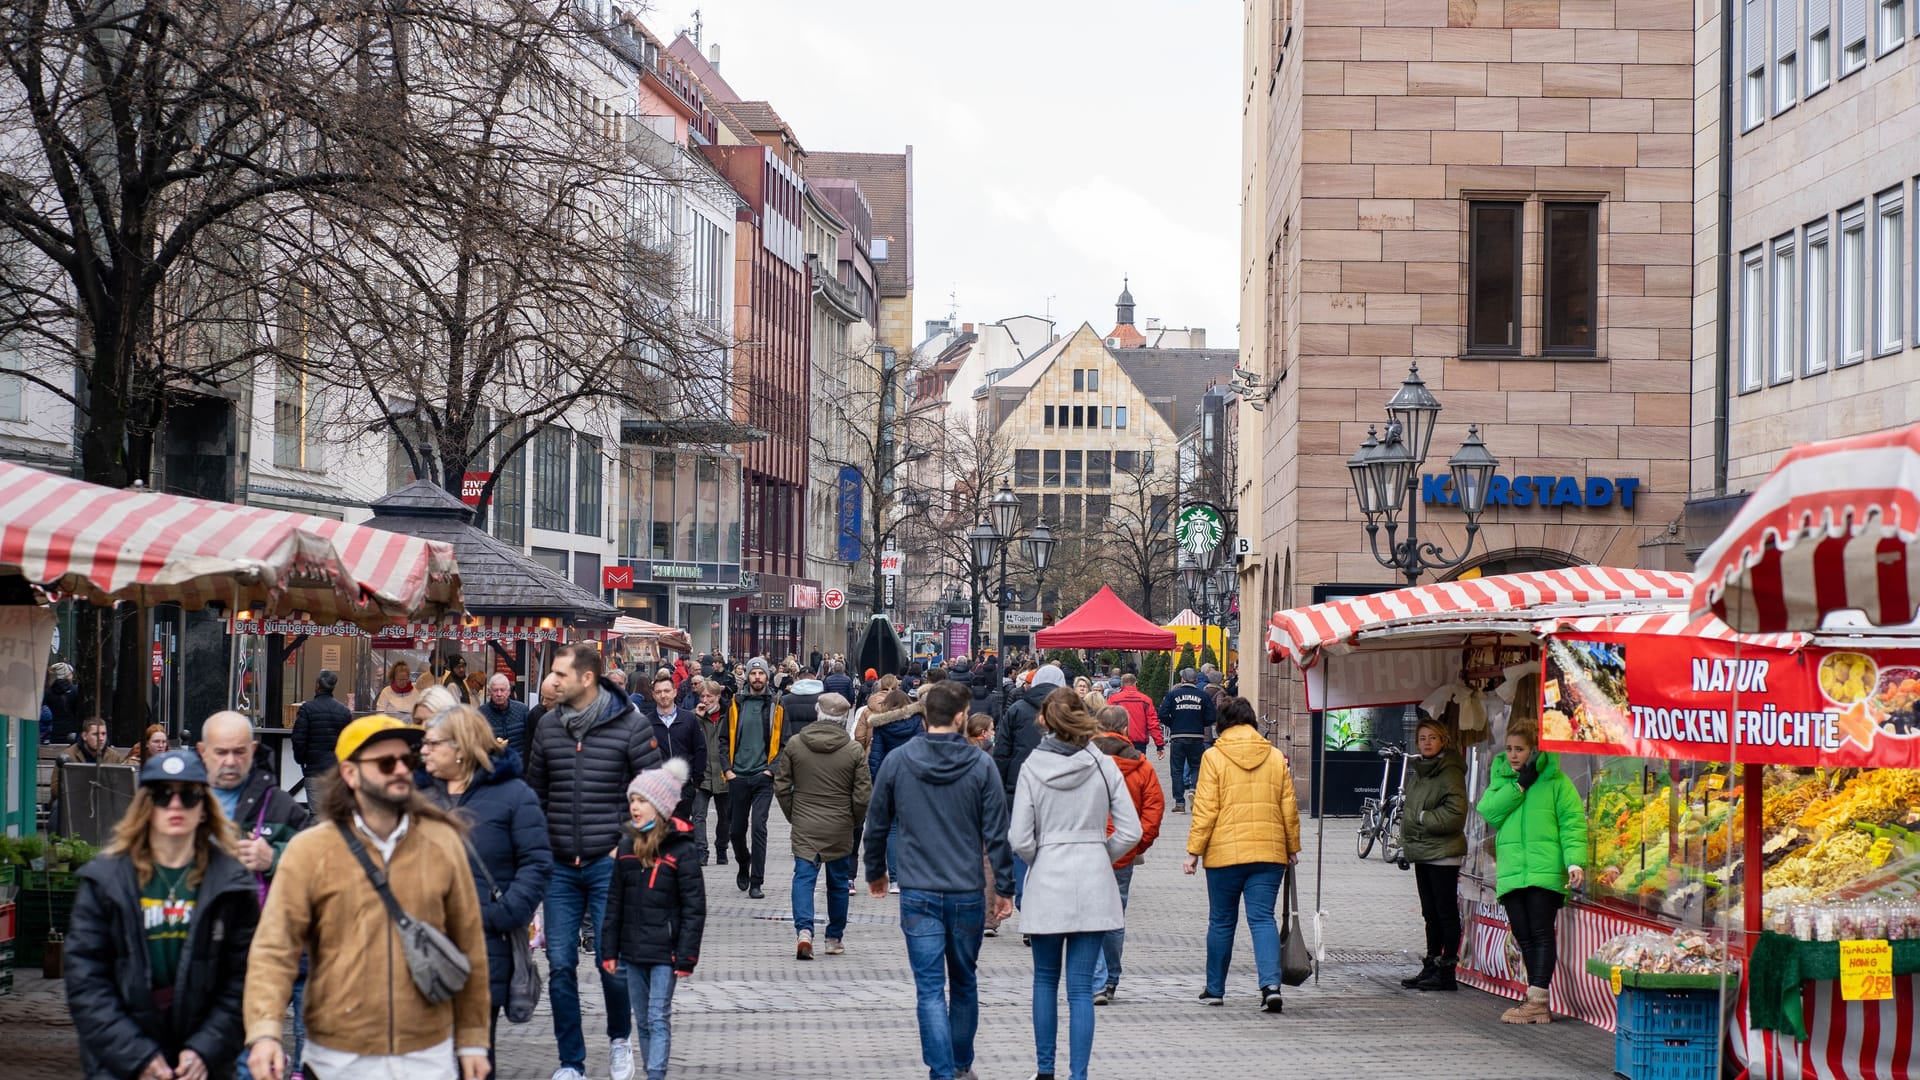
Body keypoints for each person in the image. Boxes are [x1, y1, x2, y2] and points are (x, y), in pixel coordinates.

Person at [244, 716, 491, 1080]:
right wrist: (264, 1032)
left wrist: (472, 1039)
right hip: (337, 1056)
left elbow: (470, 945)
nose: (401, 771)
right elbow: (274, 949)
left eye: (407, 760)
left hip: (427, 1055)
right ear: (350, 774)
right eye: (386, 763)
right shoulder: (310, 851)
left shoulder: (442, 843)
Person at [66, 749, 257, 1080]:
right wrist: (136, 1055)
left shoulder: (232, 883)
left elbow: (245, 979)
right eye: (162, 795)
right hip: (121, 1064)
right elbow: (86, 980)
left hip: (204, 1066)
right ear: (146, 806)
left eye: (189, 795)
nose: (175, 805)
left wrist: (205, 1049)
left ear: (204, 807)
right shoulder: (106, 880)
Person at [526, 642, 666, 1080]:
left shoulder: (630, 725)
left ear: (586, 679)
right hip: (560, 867)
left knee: (613, 963)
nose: (552, 681)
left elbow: (657, 794)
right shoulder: (548, 727)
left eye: (560, 674)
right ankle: (571, 1062)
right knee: (561, 965)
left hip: (610, 865)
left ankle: (619, 1040)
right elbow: (536, 793)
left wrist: (624, 842)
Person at [865, 680, 1015, 1080]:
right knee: (963, 981)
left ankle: (942, 1071)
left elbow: (877, 821)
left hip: (919, 890)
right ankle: (961, 1064)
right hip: (966, 889)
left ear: (923, 714)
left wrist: (875, 871)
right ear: (962, 716)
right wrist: (1004, 887)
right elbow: (997, 832)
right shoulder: (980, 763)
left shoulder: (899, 761)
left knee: (930, 987)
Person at [1009, 690, 1142, 1080]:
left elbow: (1019, 838)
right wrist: (1100, 853)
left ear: (1046, 722)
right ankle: (1078, 1074)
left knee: (1045, 982)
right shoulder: (1102, 764)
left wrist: (1043, 857)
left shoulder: (1033, 766)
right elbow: (1130, 829)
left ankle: (1045, 1070)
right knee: (1081, 989)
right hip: (1093, 877)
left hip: (1049, 877)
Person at [419, 704, 554, 1067]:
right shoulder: (417, 797)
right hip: (421, 946)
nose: (423, 750)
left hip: (484, 945)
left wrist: (504, 913)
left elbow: (537, 861)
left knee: (474, 1054)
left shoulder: (512, 795)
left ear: (460, 747)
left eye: (433, 744)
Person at [1183, 696, 1301, 1013]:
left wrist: (1194, 851)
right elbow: (1288, 806)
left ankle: (1215, 989)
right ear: (1252, 722)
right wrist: (1292, 847)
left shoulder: (1213, 757)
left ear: (1221, 724)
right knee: (1262, 919)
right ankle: (1270, 987)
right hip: (1269, 852)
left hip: (1224, 855)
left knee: (1221, 922)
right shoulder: (1275, 757)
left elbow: (1205, 809)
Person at [599, 761, 705, 1080]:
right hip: (632, 951)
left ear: (659, 808)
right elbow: (614, 902)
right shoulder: (626, 847)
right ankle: (650, 1070)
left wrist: (686, 956)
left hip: (666, 951)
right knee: (642, 1020)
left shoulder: (681, 851)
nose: (634, 807)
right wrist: (609, 951)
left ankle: (655, 1074)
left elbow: (693, 907)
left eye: (642, 801)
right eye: (632, 800)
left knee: (658, 1016)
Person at [1477, 720, 1586, 1024]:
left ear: (1535, 750)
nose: (1513, 755)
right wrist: (1520, 785)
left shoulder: (1557, 782)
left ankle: (1537, 1000)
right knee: (1523, 934)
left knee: (1540, 933)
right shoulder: (1503, 778)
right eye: (1509, 748)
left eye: (1520, 749)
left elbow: (1572, 824)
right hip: (1513, 871)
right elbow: (1489, 810)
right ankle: (1536, 998)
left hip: (1545, 870)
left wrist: (1574, 861)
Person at [774, 692, 870, 960]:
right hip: (840, 823)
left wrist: (794, 813)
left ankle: (804, 930)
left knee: (804, 878)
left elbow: (781, 785)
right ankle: (833, 937)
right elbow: (863, 793)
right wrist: (854, 819)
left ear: (818, 712)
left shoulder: (796, 744)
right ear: (843, 718)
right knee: (838, 883)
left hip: (805, 821)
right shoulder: (853, 751)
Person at [1089, 706, 1164, 1006]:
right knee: (1114, 915)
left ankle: (1096, 977)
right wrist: (1136, 844)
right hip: (1122, 851)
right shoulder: (1141, 764)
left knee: (1089, 915)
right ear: (1125, 729)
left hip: (1088, 848)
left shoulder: (1084, 759)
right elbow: (1153, 810)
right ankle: (1110, 980)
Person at [1397, 717, 1469, 992]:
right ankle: (1431, 964)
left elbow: (1455, 813)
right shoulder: (1420, 771)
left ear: (1443, 741)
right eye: (1422, 738)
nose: (1427, 743)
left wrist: (1425, 817)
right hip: (1423, 851)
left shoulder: (1450, 772)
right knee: (1430, 913)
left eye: (1432, 738)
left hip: (1443, 853)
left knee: (1445, 911)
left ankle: (1446, 969)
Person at [994, 663, 1065, 909]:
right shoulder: (1072, 711)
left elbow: (1002, 752)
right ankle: (1044, 902)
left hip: (1019, 785)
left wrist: (999, 786)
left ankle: (1025, 900)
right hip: (1060, 789)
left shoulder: (1017, 709)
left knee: (1021, 842)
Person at [724, 658, 785, 899]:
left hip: (763, 778)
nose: (757, 677)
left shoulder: (776, 706)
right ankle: (743, 863)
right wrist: (728, 770)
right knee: (736, 831)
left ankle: (757, 881)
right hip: (738, 776)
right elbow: (723, 741)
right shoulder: (736, 704)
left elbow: (785, 742)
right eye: (753, 673)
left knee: (759, 828)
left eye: (761, 673)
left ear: (767, 678)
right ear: (747, 677)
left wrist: (771, 769)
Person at [644, 672, 707, 822]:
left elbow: (700, 749)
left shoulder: (688, 719)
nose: (663, 695)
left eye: (666, 691)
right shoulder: (646, 723)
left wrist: (696, 781)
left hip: (684, 788)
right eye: (658, 692)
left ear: (674, 692)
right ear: (653, 695)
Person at [1160, 668, 1217, 813]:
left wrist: (1173, 724)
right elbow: (1211, 716)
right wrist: (1200, 724)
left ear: (1182, 680)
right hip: (1197, 737)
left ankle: (1179, 803)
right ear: (1196, 680)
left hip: (1178, 737)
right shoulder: (1203, 696)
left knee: (1177, 769)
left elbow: (1162, 714)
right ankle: (1194, 790)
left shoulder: (1173, 695)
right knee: (1196, 766)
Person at [50, 716, 126, 825]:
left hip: (105, 802)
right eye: (96, 734)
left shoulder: (114, 757)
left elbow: (121, 787)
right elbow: (55, 789)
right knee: (58, 806)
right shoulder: (68, 756)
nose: (101, 738)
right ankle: (56, 841)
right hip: (74, 802)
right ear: (84, 736)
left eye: (104, 734)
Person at [691, 679, 730, 867]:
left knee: (725, 817)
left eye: (709, 696)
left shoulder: (728, 715)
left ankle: (721, 849)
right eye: (702, 696)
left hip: (724, 773)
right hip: (702, 773)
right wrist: (698, 717)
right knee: (698, 815)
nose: (705, 700)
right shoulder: (694, 717)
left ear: (718, 697)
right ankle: (701, 852)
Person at [291, 670, 352, 791]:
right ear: (333, 687)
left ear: (317, 686)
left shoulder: (307, 709)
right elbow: (349, 742)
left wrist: (301, 760)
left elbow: (298, 739)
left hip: (314, 770)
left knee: (316, 809)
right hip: (336, 771)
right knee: (334, 809)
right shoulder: (344, 711)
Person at [1107, 674, 1166, 760]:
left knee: (1120, 770)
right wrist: (1159, 745)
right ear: (1135, 683)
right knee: (1138, 770)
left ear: (1122, 684)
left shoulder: (1113, 699)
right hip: (1139, 742)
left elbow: (1107, 721)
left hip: (1119, 740)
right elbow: (1153, 724)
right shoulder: (1145, 700)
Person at [480, 673, 532, 764]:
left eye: (502, 690)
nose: (499, 694)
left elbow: (529, 740)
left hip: (519, 765)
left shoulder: (522, 710)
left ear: (508, 691)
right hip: (493, 767)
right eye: (495, 690)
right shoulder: (481, 714)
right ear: (489, 691)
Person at [44, 661, 84, 743]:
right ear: (68, 675)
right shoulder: (76, 690)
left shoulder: (48, 693)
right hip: (73, 732)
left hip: (54, 732)